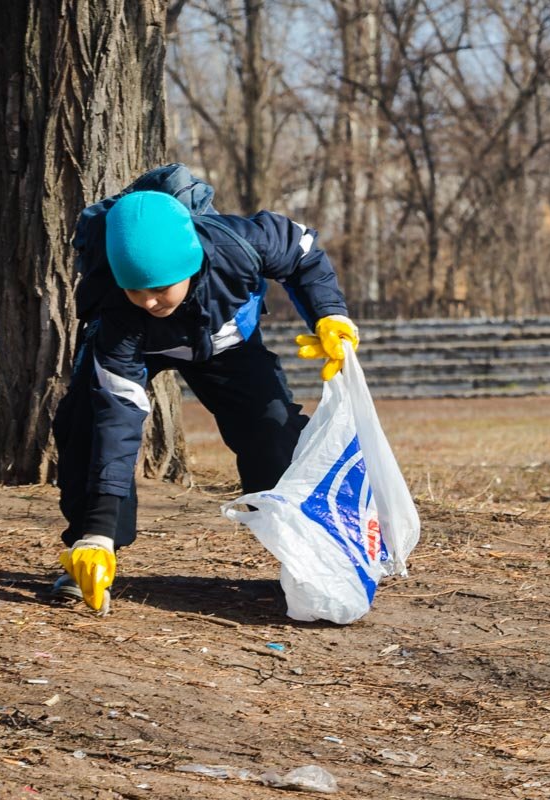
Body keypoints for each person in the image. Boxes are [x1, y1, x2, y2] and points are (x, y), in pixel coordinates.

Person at [52, 166, 359, 613]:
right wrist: (98, 530)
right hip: (140, 348)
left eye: (159, 288)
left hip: (227, 343)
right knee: (86, 425)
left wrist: (329, 314)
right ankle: (93, 552)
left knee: (273, 428)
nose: (150, 301)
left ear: (191, 263)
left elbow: (305, 253)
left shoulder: (241, 244)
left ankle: (303, 554)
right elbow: (114, 422)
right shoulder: (118, 314)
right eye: (136, 290)